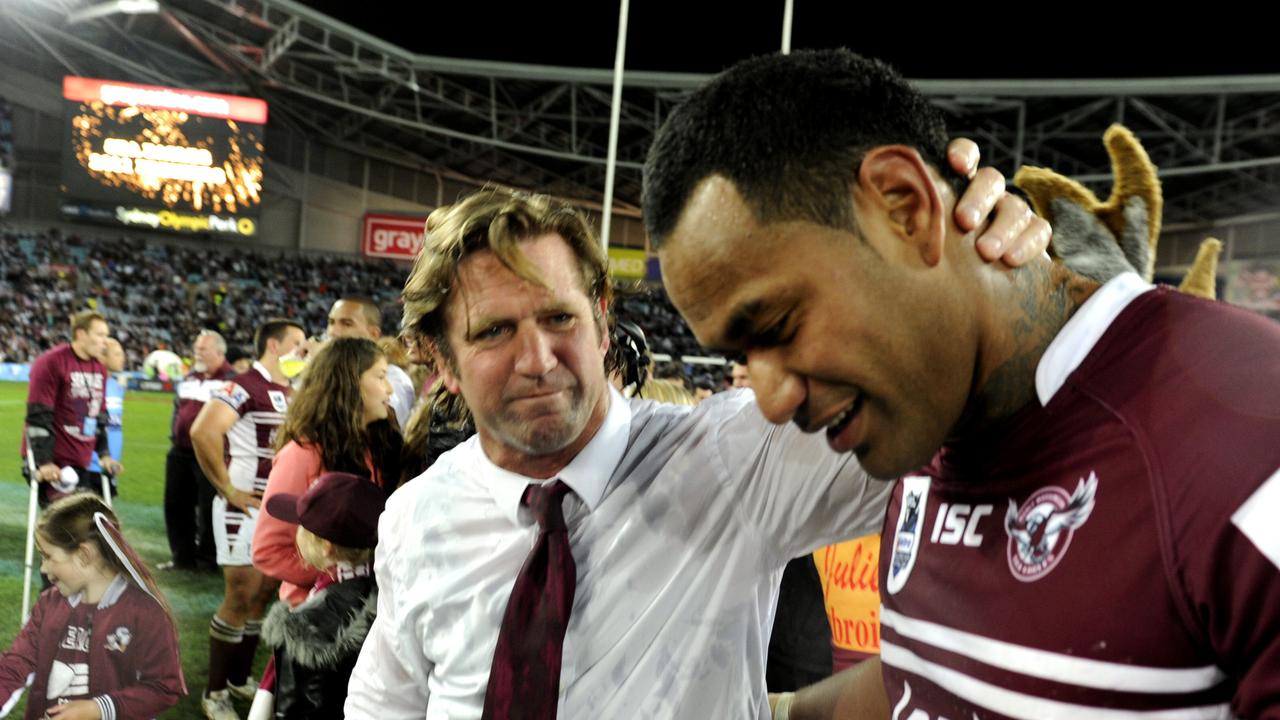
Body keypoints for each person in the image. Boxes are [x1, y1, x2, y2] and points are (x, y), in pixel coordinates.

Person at [643, 48, 1280, 719]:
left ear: (904, 206)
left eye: (777, 323)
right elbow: (925, 676)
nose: (769, 400)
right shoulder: (926, 424)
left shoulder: (1244, 435)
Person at [344, 172, 1048, 718]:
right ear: (438, 361)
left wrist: (1000, 287)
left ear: (600, 317)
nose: (538, 359)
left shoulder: (736, 456)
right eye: (494, 331)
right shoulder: (417, 515)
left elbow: (972, 423)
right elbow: (387, 699)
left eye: (559, 317)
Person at [191, 318, 306, 720]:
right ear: (274, 346)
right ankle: (214, 693)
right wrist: (228, 489)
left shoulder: (290, 390)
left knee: (261, 598)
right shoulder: (243, 386)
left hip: (276, 509)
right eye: (297, 343)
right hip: (243, 509)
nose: (302, 351)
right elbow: (203, 431)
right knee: (240, 598)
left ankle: (238, 678)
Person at [0, 493, 186, 719]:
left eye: (48, 557)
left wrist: (100, 709)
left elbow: (164, 688)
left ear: (84, 555)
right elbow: (15, 665)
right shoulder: (48, 605)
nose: (44, 568)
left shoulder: (145, 613)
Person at [253, 336, 400, 608]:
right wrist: (340, 576)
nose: (389, 389)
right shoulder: (302, 455)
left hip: (374, 615)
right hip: (318, 622)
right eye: (380, 377)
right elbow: (268, 551)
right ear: (349, 383)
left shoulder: (383, 446)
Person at [259, 471, 383, 719]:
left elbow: (296, 710)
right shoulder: (387, 592)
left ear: (326, 547)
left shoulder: (305, 625)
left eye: (303, 526)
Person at [22, 310, 122, 506]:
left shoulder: (99, 369)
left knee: (86, 525)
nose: (105, 341)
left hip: (80, 462)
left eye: (106, 335)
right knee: (67, 527)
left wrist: (104, 454)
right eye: (100, 335)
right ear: (81, 334)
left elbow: (99, 414)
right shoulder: (51, 362)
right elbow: (38, 414)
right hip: (53, 464)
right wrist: (44, 462)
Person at [163, 330, 238, 572]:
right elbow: (178, 410)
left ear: (219, 352)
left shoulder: (232, 381)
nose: (197, 353)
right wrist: (175, 435)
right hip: (181, 452)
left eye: (202, 349)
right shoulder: (189, 378)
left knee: (208, 507)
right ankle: (181, 558)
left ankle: (207, 560)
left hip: (211, 452)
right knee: (175, 505)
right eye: (196, 349)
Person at [325, 297, 416, 427]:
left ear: (373, 334)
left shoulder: (394, 378)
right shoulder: (326, 373)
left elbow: (382, 426)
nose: (333, 331)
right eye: (331, 322)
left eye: (347, 324)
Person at [87, 338, 125, 499]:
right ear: (102, 358)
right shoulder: (91, 385)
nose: (122, 358)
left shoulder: (116, 386)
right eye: (117, 354)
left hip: (110, 461)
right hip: (90, 464)